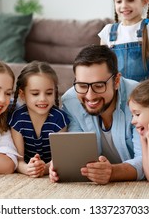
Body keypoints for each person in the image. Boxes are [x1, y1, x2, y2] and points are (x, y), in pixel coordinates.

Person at [49, 44, 143, 184]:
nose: (90, 96)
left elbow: (146, 160)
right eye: (82, 85)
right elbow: (77, 152)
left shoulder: (139, 98)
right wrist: (59, 166)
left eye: (99, 86)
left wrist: (112, 172)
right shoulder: (71, 100)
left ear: (116, 81)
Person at [8, 61, 69, 177]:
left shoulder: (59, 119)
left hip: (49, 167)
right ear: (22, 95)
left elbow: (60, 159)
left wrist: (43, 168)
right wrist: (28, 169)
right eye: (35, 94)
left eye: (49, 93)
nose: (43, 99)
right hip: (28, 165)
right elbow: (18, 160)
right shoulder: (18, 118)